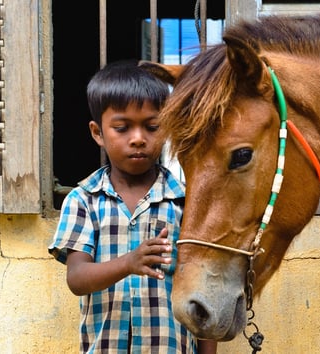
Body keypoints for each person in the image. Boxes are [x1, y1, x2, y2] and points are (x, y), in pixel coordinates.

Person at [49, 60, 214, 353]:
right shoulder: (84, 200)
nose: (138, 139)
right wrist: (128, 263)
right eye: (122, 128)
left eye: (152, 127)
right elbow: (76, 278)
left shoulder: (186, 202)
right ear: (98, 133)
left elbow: (203, 291)